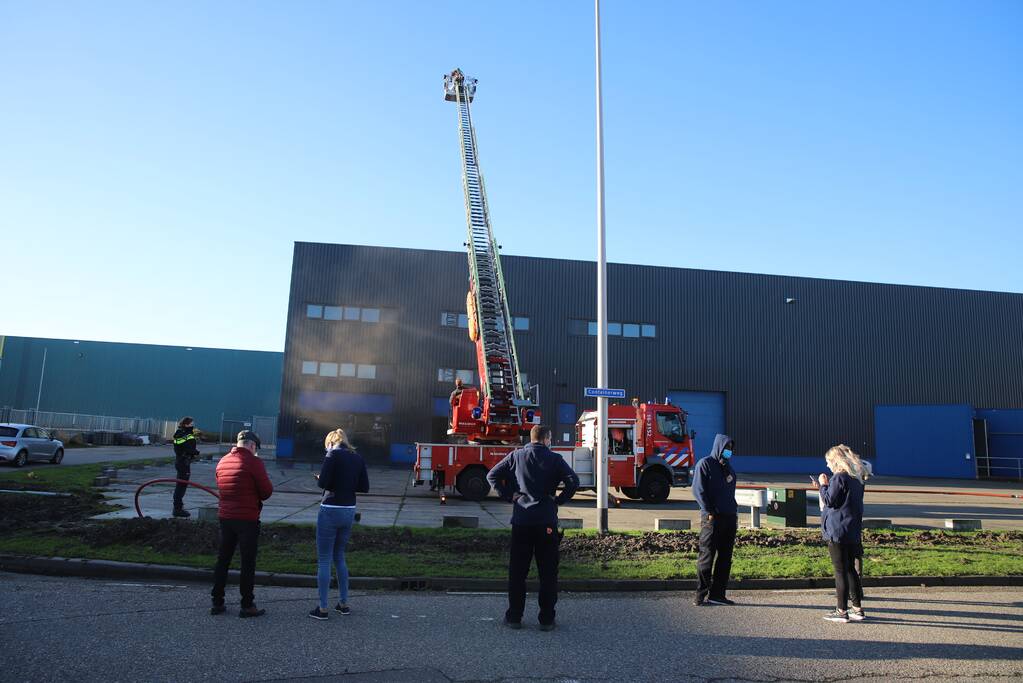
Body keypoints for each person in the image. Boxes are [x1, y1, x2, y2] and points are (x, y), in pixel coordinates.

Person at [487, 425, 579, 631]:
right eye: (550, 439)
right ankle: (546, 619)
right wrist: (558, 500)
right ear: (546, 439)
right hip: (546, 522)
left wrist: (509, 494)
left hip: (521, 521)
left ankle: (514, 617)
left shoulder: (516, 456)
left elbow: (492, 475)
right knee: (547, 573)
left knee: (518, 572)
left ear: (531, 438)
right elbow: (574, 481)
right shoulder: (555, 459)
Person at [210, 430, 274, 618]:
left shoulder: (222, 461)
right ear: (252, 446)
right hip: (247, 519)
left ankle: (217, 601)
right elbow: (266, 492)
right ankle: (247, 604)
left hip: (225, 517)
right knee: (247, 562)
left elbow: (221, 486)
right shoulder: (254, 463)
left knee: (223, 560)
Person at [309, 428, 369, 620]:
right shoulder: (357, 457)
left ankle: (323, 608)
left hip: (330, 509)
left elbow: (323, 483)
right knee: (340, 557)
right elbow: (364, 487)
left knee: (324, 559)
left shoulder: (331, 455)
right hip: (349, 510)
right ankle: (343, 604)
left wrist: (322, 478)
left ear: (330, 442)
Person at [819, 444, 866, 623]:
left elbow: (830, 500)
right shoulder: (857, 479)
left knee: (840, 571)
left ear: (835, 461)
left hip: (837, 530)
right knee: (850, 570)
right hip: (851, 529)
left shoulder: (839, 477)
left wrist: (823, 485)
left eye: (828, 462)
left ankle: (841, 611)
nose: (828, 466)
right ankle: (857, 608)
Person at [691, 433, 738, 606]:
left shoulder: (729, 469)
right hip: (712, 518)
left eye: (731, 449)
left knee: (725, 558)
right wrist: (709, 511)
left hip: (729, 517)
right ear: (719, 447)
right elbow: (698, 490)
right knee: (707, 556)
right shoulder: (705, 464)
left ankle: (718, 594)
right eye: (726, 448)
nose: (729, 451)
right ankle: (700, 594)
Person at [171, 417, 201, 518]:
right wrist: (195, 452)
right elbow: (186, 448)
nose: (193, 425)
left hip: (183, 462)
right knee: (181, 486)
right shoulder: (183, 434)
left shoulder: (184, 433)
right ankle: (177, 509)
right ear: (186, 424)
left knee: (182, 485)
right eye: (192, 424)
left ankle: (178, 507)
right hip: (183, 462)